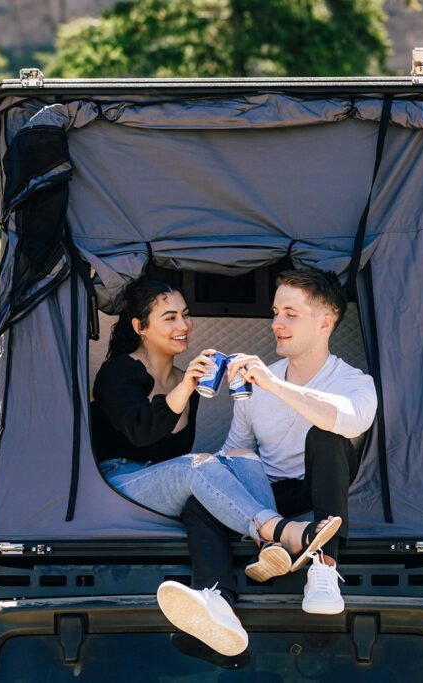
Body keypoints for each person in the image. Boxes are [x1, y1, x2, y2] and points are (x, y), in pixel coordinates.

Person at [91, 276, 342, 657]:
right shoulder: (118, 372)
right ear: (140, 327)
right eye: (170, 318)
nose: (183, 326)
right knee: (197, 466)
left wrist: (189, 384)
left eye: (186, 315)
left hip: (166, 483)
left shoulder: (181, 380)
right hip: (120, 477)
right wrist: (188, 385)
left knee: (242, 457)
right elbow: (142, 432)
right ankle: (281, 533)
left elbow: (176, 453)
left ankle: (253, 566)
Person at [161, 267, 377, 656]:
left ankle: (324, 568)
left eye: (290, 314)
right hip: (269, 497)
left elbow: (346, 420)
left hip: (322, 494)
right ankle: (218, 603)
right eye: (276, 313)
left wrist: (274, 385)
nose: (277, 324)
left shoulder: (354, 382)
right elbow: (236, 450)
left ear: (325, 322)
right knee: (203, 495)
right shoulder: (258, 383)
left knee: (327, 434)